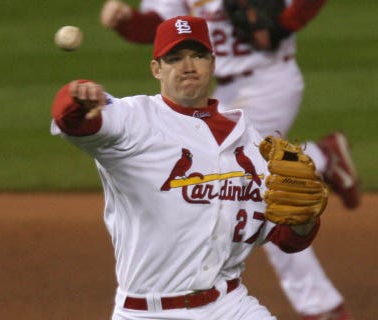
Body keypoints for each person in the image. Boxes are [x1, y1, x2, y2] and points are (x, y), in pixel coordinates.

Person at [51, 16, 326, 320]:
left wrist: (305, 220)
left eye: (197, 55)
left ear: (213, 62)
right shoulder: (134, 119)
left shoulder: (249, 138)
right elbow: (72, 121)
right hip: (146, 312)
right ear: (156, 69)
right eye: (175, 58)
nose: (188, 65)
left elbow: (287, 239)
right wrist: (75, 96)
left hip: (228, 306)